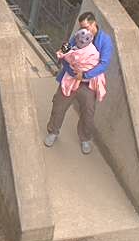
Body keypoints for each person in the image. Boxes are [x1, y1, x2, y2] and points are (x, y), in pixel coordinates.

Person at [44, 11, 113, 154]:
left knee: (88, 112)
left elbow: (104, 64)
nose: (84, 30)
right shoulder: (79, 35)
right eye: (82, 27)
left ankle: (85, 139)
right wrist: (66, 63)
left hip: (88, 83)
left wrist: (85, 74)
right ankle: (53, 132)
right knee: (58, 105)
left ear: (94, 24)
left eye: (87, 27)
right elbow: (67, 48)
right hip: (71, 78)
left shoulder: (105, 41)